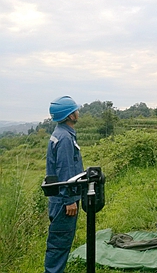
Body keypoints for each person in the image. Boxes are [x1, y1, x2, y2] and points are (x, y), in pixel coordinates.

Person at [44, 96, 84, 273]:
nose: (78, 112)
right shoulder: (65, 138)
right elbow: (65, 169)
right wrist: (69, 200)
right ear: (70, 116)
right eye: (75, 110)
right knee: (59, 245)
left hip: (58, 199)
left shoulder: (61, 134)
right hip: (63, 201)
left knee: (60, 242)